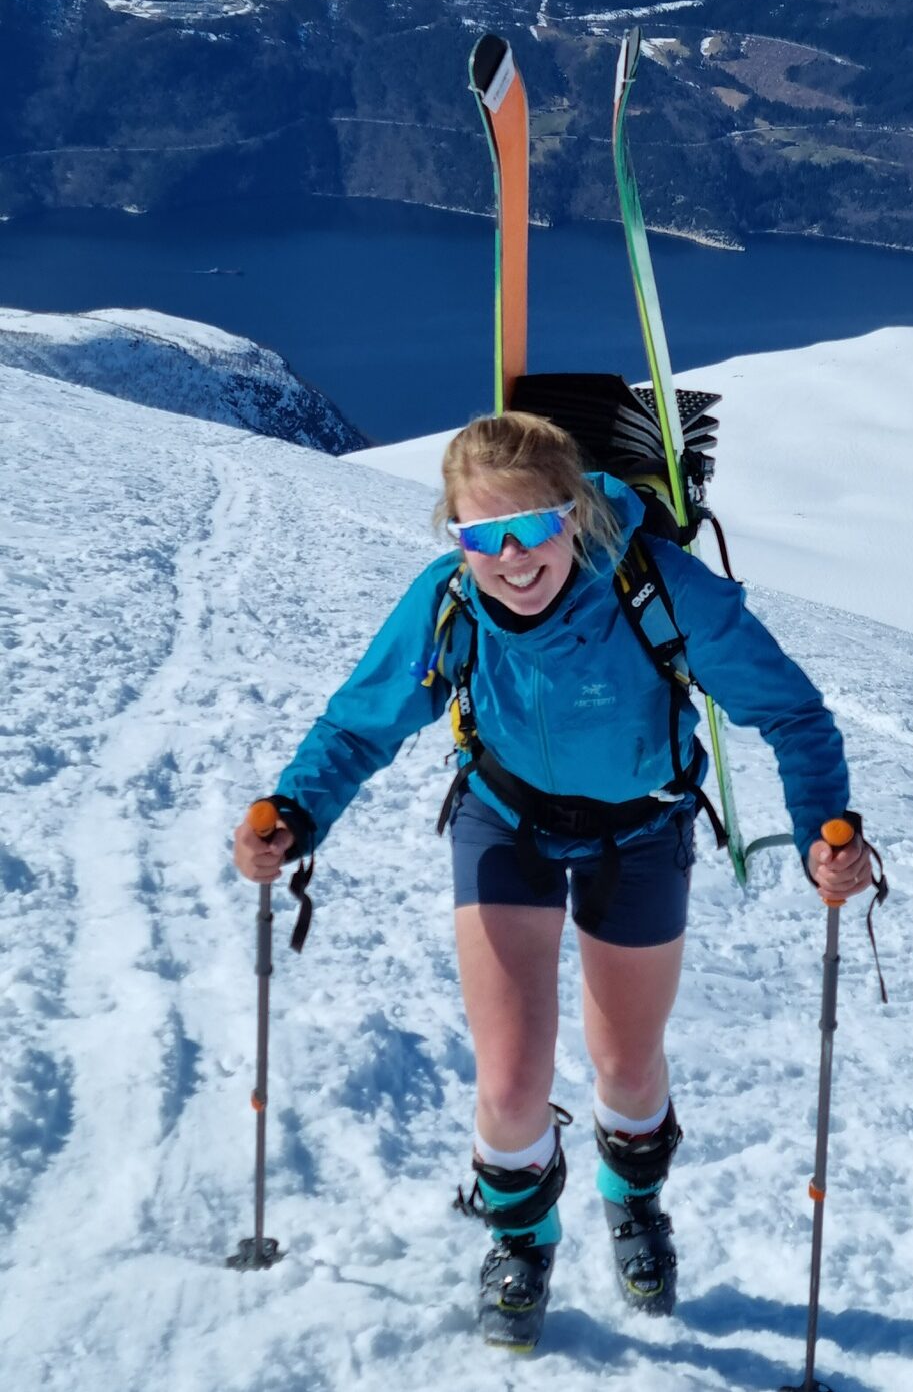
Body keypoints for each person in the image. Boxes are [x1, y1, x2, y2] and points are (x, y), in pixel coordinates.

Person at [232, 411, 876, 1349]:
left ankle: (634, 1200)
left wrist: (826, 831)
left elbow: (792, 713)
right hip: (506, 823)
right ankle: (520, 1238)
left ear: (573, 515)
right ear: (454, 538)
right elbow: (360, 725)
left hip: (641, 829)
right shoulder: (446, 601)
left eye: (533, 527)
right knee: (512, 1075)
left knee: (625, 1065)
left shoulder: (661, 590)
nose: (512, 557)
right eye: (482, 536)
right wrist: (293, 813)